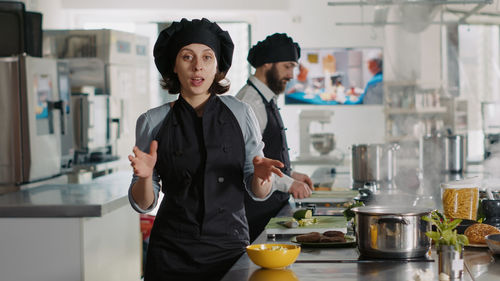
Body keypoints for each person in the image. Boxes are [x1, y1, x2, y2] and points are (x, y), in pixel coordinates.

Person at [127, 18, 285, 281]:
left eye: (207, 57)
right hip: (171, 252)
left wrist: (260, 177)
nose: (197, 66)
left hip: (229, 247)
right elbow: (144, 204)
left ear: (217, 67)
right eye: (187, 57)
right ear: (174, 66)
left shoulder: (240, 113)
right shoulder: (152, 121)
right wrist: (144, 177)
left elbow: (258, 192)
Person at [236, 33, 314, 242]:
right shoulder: (249, 103)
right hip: (255, 213)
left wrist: (291, 173)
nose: (291, 75)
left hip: (269, 210)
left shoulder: (264, 98)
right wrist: (289, 184)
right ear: (267, 64)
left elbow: (264, 152)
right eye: (287, 66)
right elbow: (248, 163)